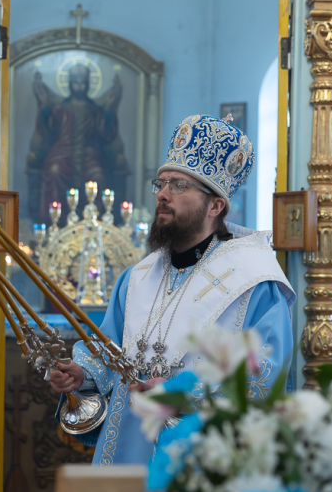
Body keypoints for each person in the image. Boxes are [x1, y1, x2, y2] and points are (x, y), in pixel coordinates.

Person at [49, 114, 295, 466]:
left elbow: (265, 375)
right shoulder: (136, 278)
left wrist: (184, 391)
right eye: (161, 183)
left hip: (203, 459)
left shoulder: (254, 282)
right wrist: (82, 373)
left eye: (179, 186)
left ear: (215, 206)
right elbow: (108, 347)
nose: (163, 195)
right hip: (127, 451)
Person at [26, 65, 130, 222]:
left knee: (99, 177)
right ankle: (55, 221)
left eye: (82, 83)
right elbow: (48, 132)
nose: (79, 87)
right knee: (54, 172)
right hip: (62, 152)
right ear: (70, 84)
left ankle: (96, 221)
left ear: (88, 85)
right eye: (75, 83)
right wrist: (44, 106)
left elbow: (106, 135)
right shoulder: (60, 109)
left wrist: (109, 108)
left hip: (89, 154)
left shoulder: (94, 110)